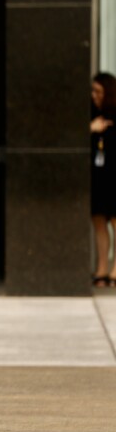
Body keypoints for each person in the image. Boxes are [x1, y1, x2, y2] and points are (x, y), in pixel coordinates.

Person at [90, 72, 116, 287]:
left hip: (114, 176)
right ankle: (101, 268)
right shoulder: (91, 116)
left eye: (98, 91)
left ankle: (115, 269)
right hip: (98, 176)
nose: (94, 96)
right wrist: (91, 129)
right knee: (98, 222)